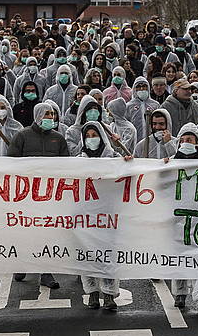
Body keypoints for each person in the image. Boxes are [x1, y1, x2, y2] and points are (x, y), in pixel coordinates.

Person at [8, 101, 69, 289]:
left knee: (47, 232)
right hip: (26, 195)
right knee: (26, 231)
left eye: (52, 114)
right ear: (38, 115)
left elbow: (67, 165)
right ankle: (22, 263)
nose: (50, 118)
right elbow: (10, 163)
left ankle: (46, 271)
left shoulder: (58, 139)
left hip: (50, 195)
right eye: (47, 114)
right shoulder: (22, 136)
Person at [78, 121, 132, 312]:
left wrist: (128, 162)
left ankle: (109, 295)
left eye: (95, 135)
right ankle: (92, 293)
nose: (92, 139)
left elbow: (130, 173)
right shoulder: (77, 161)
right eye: (88, 135)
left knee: (108, 256)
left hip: (109, 216)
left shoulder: (114, 158)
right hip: (85, 217)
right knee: (87, 256)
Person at [166, 123, 198, 312]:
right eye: (183, 140)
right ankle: (180, 292)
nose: (186, 143)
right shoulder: (170, 163)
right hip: (178, 217)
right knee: (179, 252)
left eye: (190, 140)